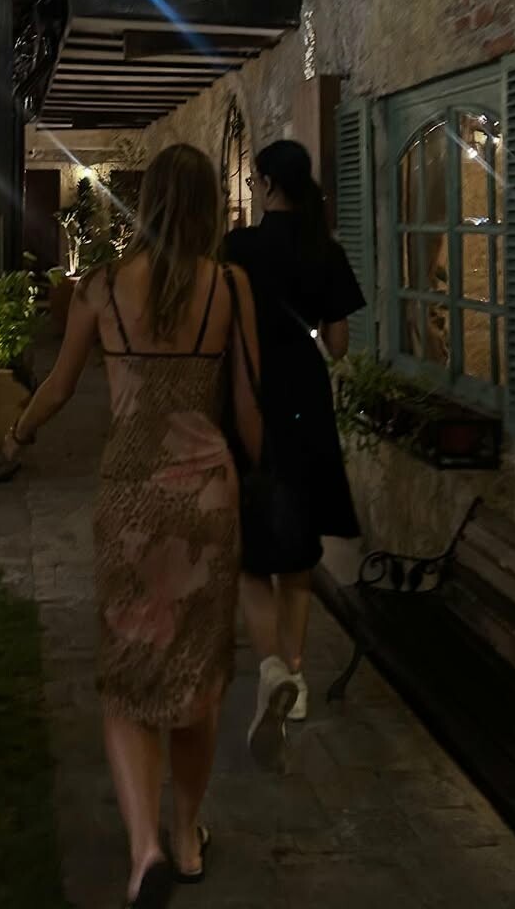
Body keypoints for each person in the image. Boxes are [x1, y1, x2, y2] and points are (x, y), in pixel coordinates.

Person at [2, 144, 263, 909]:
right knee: (199, 676)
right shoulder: (231, 287)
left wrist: (19, 430)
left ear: (146, 207)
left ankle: (144, 848)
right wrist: (265, 479)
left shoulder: (100, 289)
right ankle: (187, 837)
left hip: (129, 501)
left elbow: (59, 386)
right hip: (208, 501)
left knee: (129, 672)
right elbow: (249, 408)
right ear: (208, 208)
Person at [223, 139, 364, 765]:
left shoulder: (238, 247)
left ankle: (272, 667)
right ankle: (298, 678)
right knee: (300, 546)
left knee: (252, 542)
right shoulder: (323, 248)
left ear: (265, 183)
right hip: (304, 396)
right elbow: (339, 344)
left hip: (248, 390)